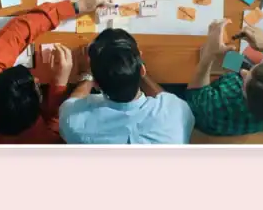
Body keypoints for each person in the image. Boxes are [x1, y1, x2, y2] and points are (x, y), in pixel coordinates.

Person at [0, 0, 113, 143]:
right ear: (34, 120)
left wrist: (75, 6)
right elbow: (57, 124)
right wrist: (66, 83)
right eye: (38, 88)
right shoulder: (37, 140)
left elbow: (17, 32)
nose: (36, 78)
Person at [58, 28, 195, 144]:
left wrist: (87, 73)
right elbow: (166, 100)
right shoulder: (177, 112)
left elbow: (71, 103)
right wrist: (133, 67)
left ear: (97, 85)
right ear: (142, 70)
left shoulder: (74, 120)